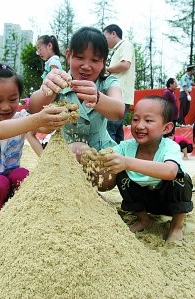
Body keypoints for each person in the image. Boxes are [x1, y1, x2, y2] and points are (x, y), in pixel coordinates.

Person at [0, 62, 71, 232]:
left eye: (13, 100)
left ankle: (12, 211)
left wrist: (55, 118)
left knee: (24, 175)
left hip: (7, 184)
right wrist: (37, 119)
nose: (6, 106)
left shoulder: (20, 117)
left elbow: (42, 128)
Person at [30, 26, 125, 191]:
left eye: (95, 60)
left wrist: (98, 97)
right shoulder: (58, 81)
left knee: (111, 167)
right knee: (77, 149)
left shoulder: (107, 83)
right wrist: (48, 88)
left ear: (103, 62)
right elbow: (33, 107)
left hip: (101, 165)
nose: (86, 66)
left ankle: (89, 196)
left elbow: (118, 110)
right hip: (65, 160)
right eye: (80, 57)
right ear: (68, 56)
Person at [99, 96, 193, 242]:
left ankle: (176, 226)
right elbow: (105, 156)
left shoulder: (169, 146)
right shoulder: (126, 147)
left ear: (166, 128)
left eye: (148, 121)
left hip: (169, 202)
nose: (140, 125)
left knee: (181, 178)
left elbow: (170, 171)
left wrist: (127, 163)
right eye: (135, 119)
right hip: (142, 202)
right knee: (121, 175)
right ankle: (143, 219)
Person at [103, 24, 135, 144]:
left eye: (105, 37)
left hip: (119, 94)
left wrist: (106, 70)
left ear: (113, 34)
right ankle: (120, 157)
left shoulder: (125, 45)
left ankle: (111, 158)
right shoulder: (116, 50)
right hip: (116, 93)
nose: (104, 41)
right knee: (116, 130)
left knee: (110, 128)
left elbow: (125, 64)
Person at [35, 35, 63, 147]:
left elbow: (54, 76)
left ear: (49, 46)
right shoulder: (51, 60)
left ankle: (47, 142)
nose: (38, 52)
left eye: (40, 48)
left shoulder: (54, 60)